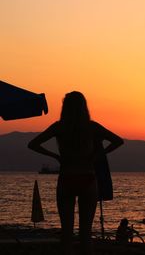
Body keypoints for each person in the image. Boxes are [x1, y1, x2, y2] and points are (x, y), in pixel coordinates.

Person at [28, 91, 124, 255]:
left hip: (67, 177)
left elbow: (33, 144)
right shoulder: (92, 127)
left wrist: (56, 156)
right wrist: (97, 155)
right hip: (87, 177)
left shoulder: (59, 127)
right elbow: (118, 141)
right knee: (85, 234)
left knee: (67, 233)